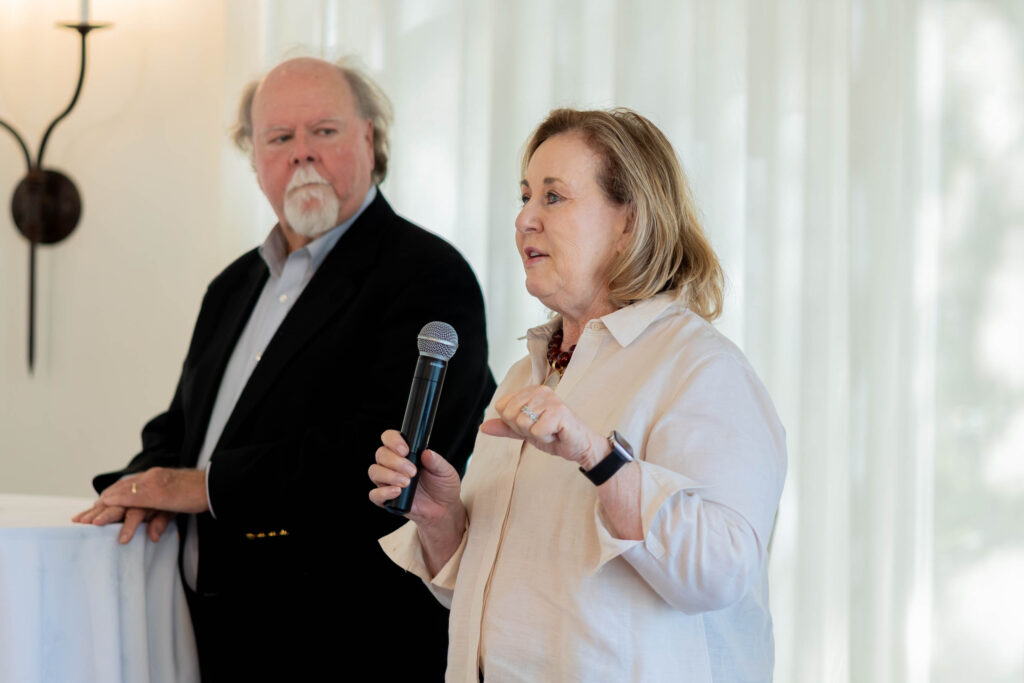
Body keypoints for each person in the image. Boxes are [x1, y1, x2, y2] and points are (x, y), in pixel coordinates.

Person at [73, 57, 495, 681]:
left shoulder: (430, 275)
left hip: (346, 643)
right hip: (208, 635)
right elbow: (187, 425)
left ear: (369, 139)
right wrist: (143, 487)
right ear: (254, 160)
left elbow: (387, 458)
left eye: (324, 130)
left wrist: (201, 487)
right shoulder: (233, 284)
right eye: (279, 137)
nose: (302, 153)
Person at [370, 108, 787, 681]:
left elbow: (720, 572)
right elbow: (493, 598)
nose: (524, 219)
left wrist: (598, 456)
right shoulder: (525, 374)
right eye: (524, 197)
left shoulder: (703, 369)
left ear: (629, 223)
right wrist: (441, 521)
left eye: (553, 197)